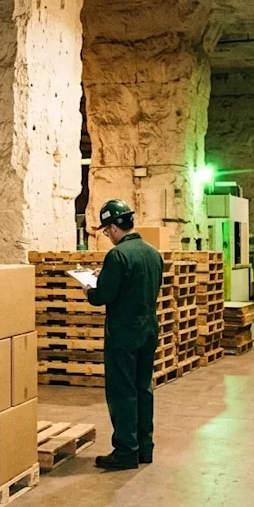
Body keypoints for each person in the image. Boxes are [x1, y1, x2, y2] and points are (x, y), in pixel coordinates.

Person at [83, 199, 163, 470]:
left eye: (107, 231)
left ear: (115, 227)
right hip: (148, 329)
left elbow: (103, 296)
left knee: (122, 392)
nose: (107, 236)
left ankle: (126, 451)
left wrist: (90, 288)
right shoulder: (153, 253)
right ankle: (144, 448)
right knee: (143, 388)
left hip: (123, 334)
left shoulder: (118, 256)